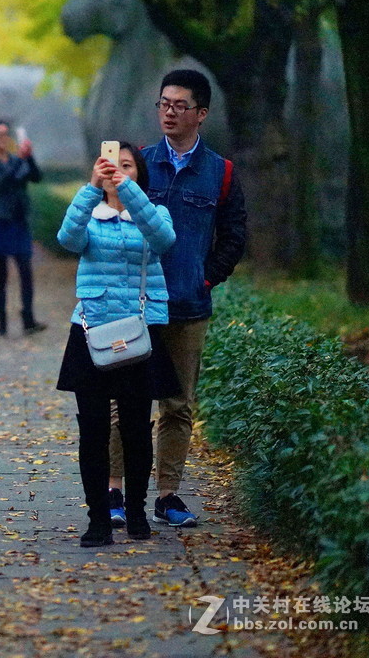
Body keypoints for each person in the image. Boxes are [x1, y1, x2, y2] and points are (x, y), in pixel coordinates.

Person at [107, 69, 247, 528]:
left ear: (201, 114)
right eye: (163, 103)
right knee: (124, 401)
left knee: (178, 405)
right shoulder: (139, 164)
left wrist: (205, 279)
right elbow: (107, 221)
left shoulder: (221, 172)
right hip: (138, 304)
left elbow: (233, 234)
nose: (168, 111)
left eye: (179, 105)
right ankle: (114, 490)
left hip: (188, 306)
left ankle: (167, 495)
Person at [56, 143, 180, 547]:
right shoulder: (90, 213)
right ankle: (98, 519)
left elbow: (164, 240)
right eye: (111, 165)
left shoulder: (153, 213)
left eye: (127, 166)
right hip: (92, 331)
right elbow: (67, 239)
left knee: (135, 429)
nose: (117, 171)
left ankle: (138, 512)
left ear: (139, 174)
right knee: (92, 430)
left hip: (139, 335)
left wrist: (129, 192)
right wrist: (91, 189)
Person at [0, 121, 45, 336]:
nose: (3, 139)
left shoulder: (17, 160)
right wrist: (20, 162)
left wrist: (29, 157)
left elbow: (35, 176)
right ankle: (2, 322)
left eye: (6, 134)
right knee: (1, 275)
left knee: (26, 271)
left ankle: (28, 318)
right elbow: (0, 182)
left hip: (18, 221)